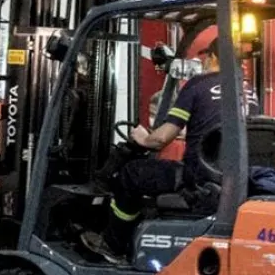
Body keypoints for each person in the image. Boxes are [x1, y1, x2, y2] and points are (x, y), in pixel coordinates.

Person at [82, 39, 256, 263]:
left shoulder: (198, 84)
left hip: (199, 179)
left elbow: (161, 139)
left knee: (131, 173)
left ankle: (113, 245)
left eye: (205, 58)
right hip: (234, 179)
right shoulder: (247, 91)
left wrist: (143, 138)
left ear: (212, 57)